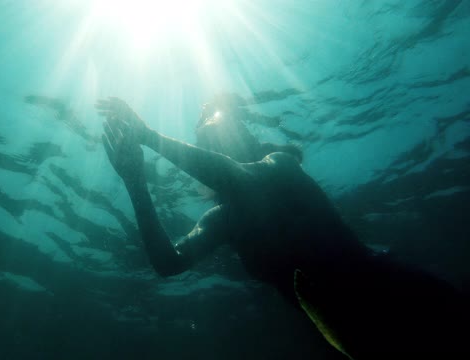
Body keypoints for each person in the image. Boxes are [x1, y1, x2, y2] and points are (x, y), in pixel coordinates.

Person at [96, 97, 468, 358]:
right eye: (205, 129)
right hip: (342, 339)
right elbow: (169, 263)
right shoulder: (221, 219)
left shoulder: (281, 165)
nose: (211, 129)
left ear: (249, 135)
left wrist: (148, 136)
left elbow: (239, 178)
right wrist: (134, 181)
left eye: (221, 123)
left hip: (407, 303)